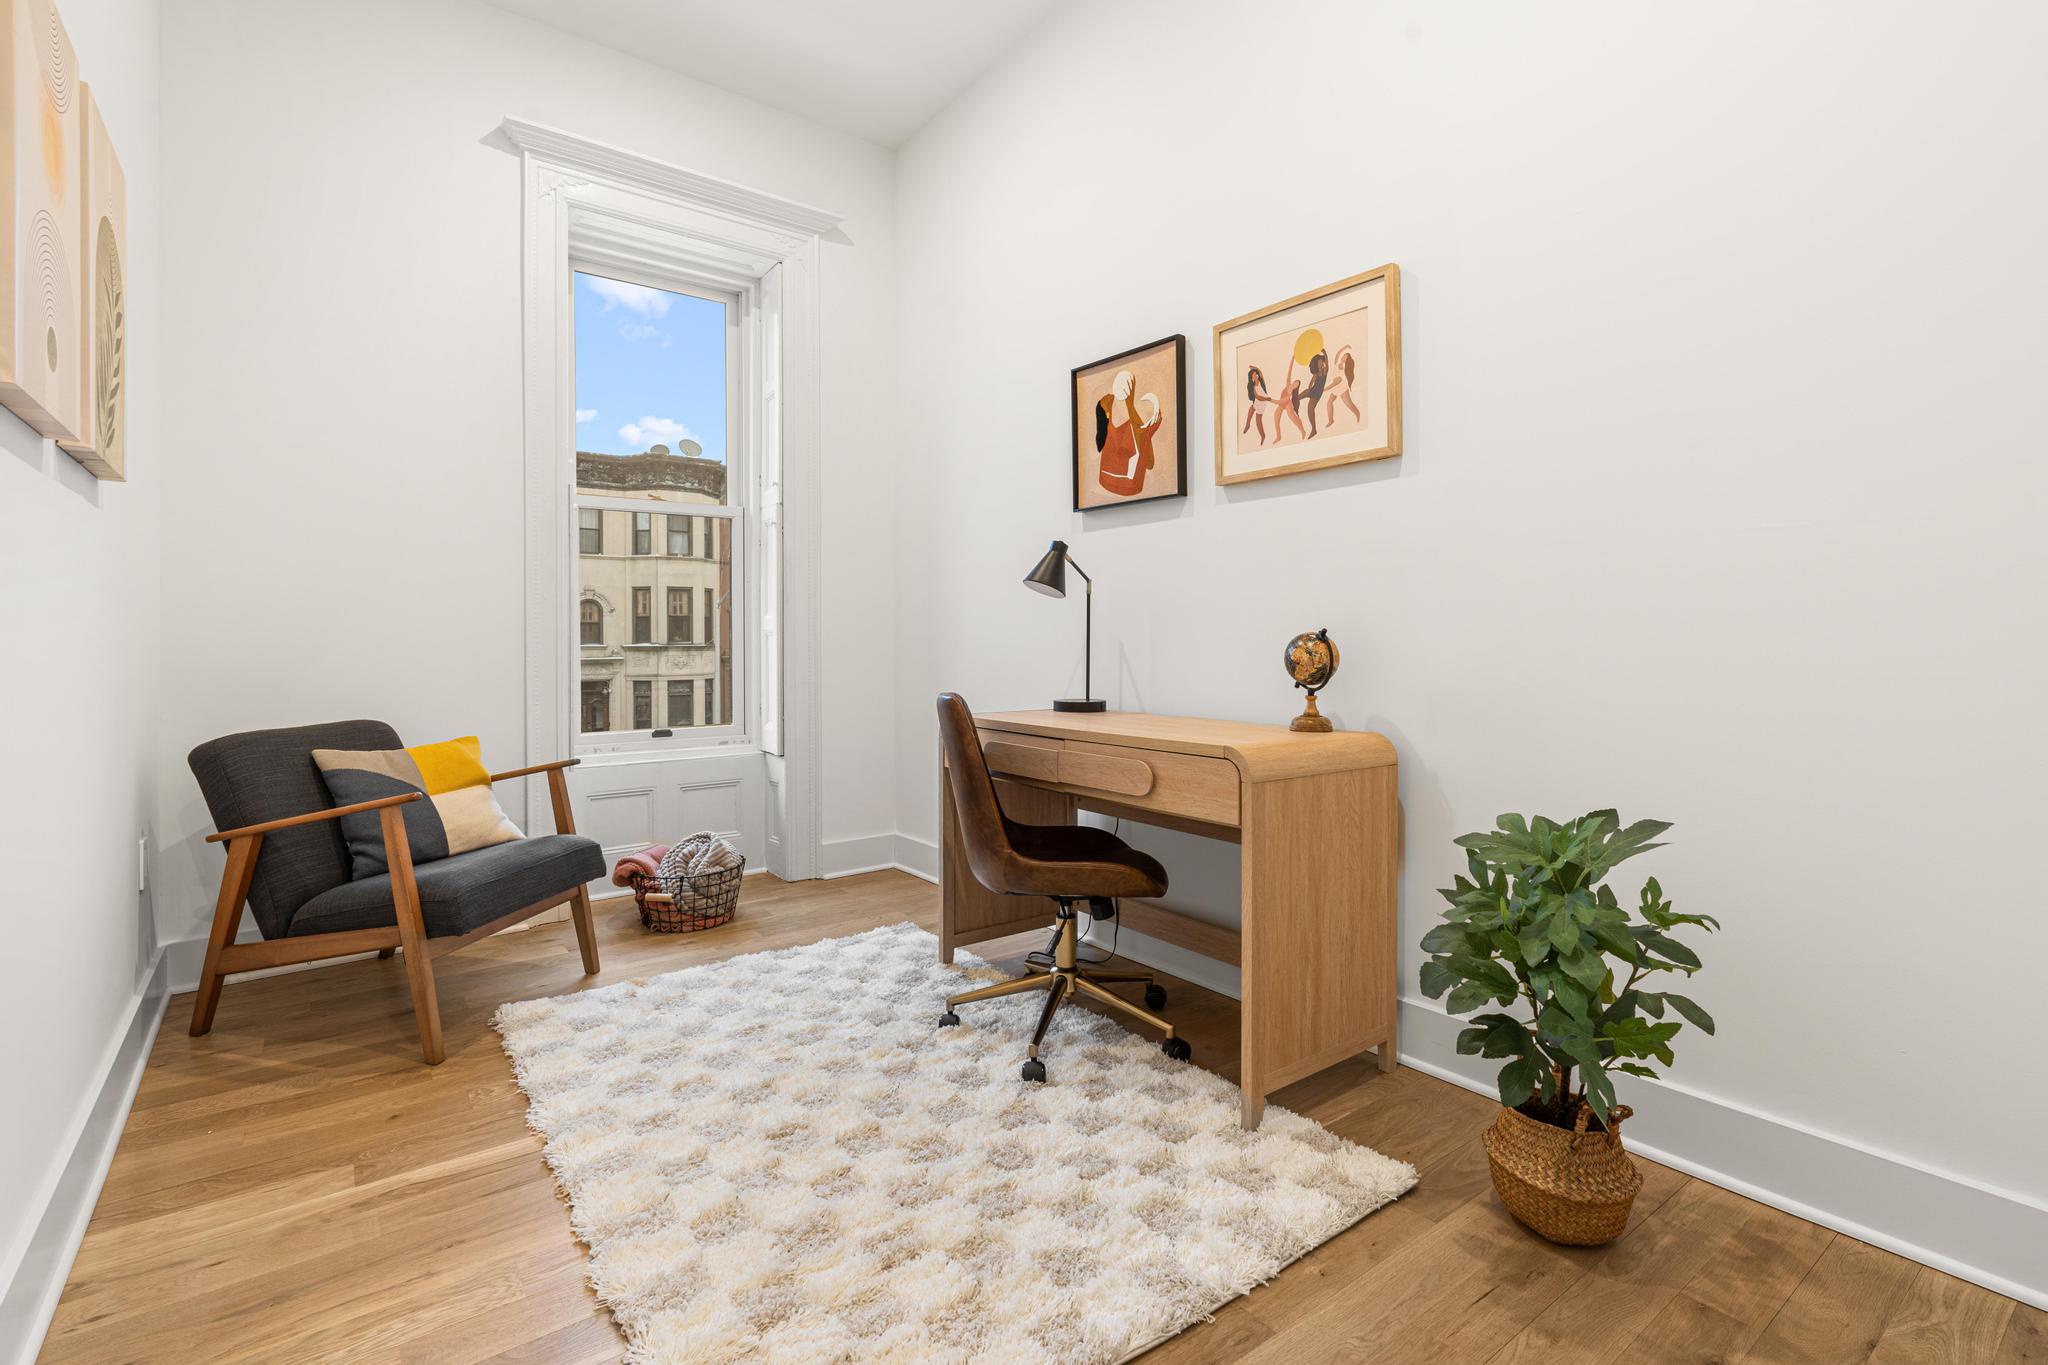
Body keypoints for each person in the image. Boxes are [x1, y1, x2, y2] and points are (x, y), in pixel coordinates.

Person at [1096, 370, 1161, 497]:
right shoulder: (1132, 419)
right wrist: (1149, 431)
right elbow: (1149, 462)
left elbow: (1100, 441)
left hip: (1109, 479)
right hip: (1127, 484)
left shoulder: (1105, 405)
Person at [1323, 344, 1360, 428]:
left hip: (1341, 387)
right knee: (1329, 402)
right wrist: (1345, 347)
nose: (1343, 357)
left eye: (1345, 357)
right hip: (1336, 387)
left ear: (1346, 360)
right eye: (1343, 355)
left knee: (1349, 404)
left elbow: (1334, 383)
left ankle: (1357, 413)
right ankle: (1331, 420)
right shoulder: (1337, 363)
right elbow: (1337, 354)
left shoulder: (1343, 366)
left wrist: (1324, 389)